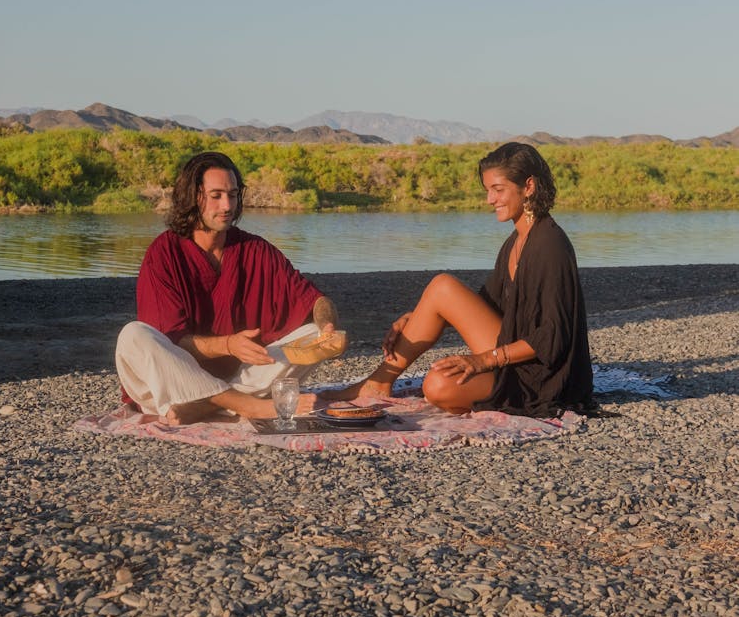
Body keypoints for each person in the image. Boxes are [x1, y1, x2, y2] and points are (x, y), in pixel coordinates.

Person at [336, 142, 594, 418]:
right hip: (513, 351)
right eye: (487, 191)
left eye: (498, 190)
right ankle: (377, 382)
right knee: (441, 286)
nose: (489, 200)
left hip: (543, 376)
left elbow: (553, 335)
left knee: (437, 386)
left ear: (528, 186)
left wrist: (483, 360)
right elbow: (487, 306)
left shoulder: (550, 245)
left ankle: (382, 383)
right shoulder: (516, 241)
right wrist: (420, 316)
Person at [116, 151, 340, 423]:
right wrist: (228, 345)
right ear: (193, 197)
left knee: (312, 332)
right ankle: (248, 406)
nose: (226, 205)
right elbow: (170, 342)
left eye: (232, 195)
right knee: (133, 336)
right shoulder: (164, 253)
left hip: (239, 379)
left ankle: (208, 405)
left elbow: (315, 300)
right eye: (216, 195)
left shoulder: (255, 249)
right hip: (173, 385)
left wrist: (327, 328)